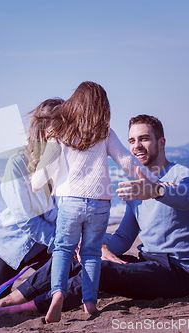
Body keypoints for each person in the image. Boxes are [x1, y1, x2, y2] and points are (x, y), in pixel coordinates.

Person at [0, 113, 189, 322]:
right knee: (80, 257)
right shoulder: (137, 191)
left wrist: (158, 190)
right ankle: (9, 299)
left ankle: (18, 309)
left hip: (177, 273)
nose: (137, 146)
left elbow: (188, 198)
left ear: (161, 142)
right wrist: (92, 245)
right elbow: (123, 238)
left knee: (98, 271)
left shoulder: (181, 174)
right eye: (131, 141)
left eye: (144, 139)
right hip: (148, 262)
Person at [31, 82, 160, 322]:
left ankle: (57, 292)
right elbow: (127, 162)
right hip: (100, 203)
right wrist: (154, 180)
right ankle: (89, 302)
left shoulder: (58, 130)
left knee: (63, 249)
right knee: (91, 254)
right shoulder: (105, 132)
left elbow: (45, 170)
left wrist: (35, 182)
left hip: (70, 200)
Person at [0, 98, 64, 306]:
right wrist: (63, 242)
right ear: (43, 129)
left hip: (45, 248)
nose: (64, 132)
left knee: (74, 281)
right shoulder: (18, 164)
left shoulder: (68, 164)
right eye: (59, 125)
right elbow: (27, 221)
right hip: (10, 247)